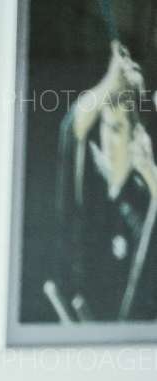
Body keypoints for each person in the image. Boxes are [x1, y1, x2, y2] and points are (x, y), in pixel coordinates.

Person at [51, 39, 157, 321]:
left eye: (118, 129)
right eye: (106, 127)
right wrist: (111, 81)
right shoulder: (91, 184)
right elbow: (73, 127)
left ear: (136, 137)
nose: (108, 140)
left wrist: (151, 174)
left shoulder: (143, 198)